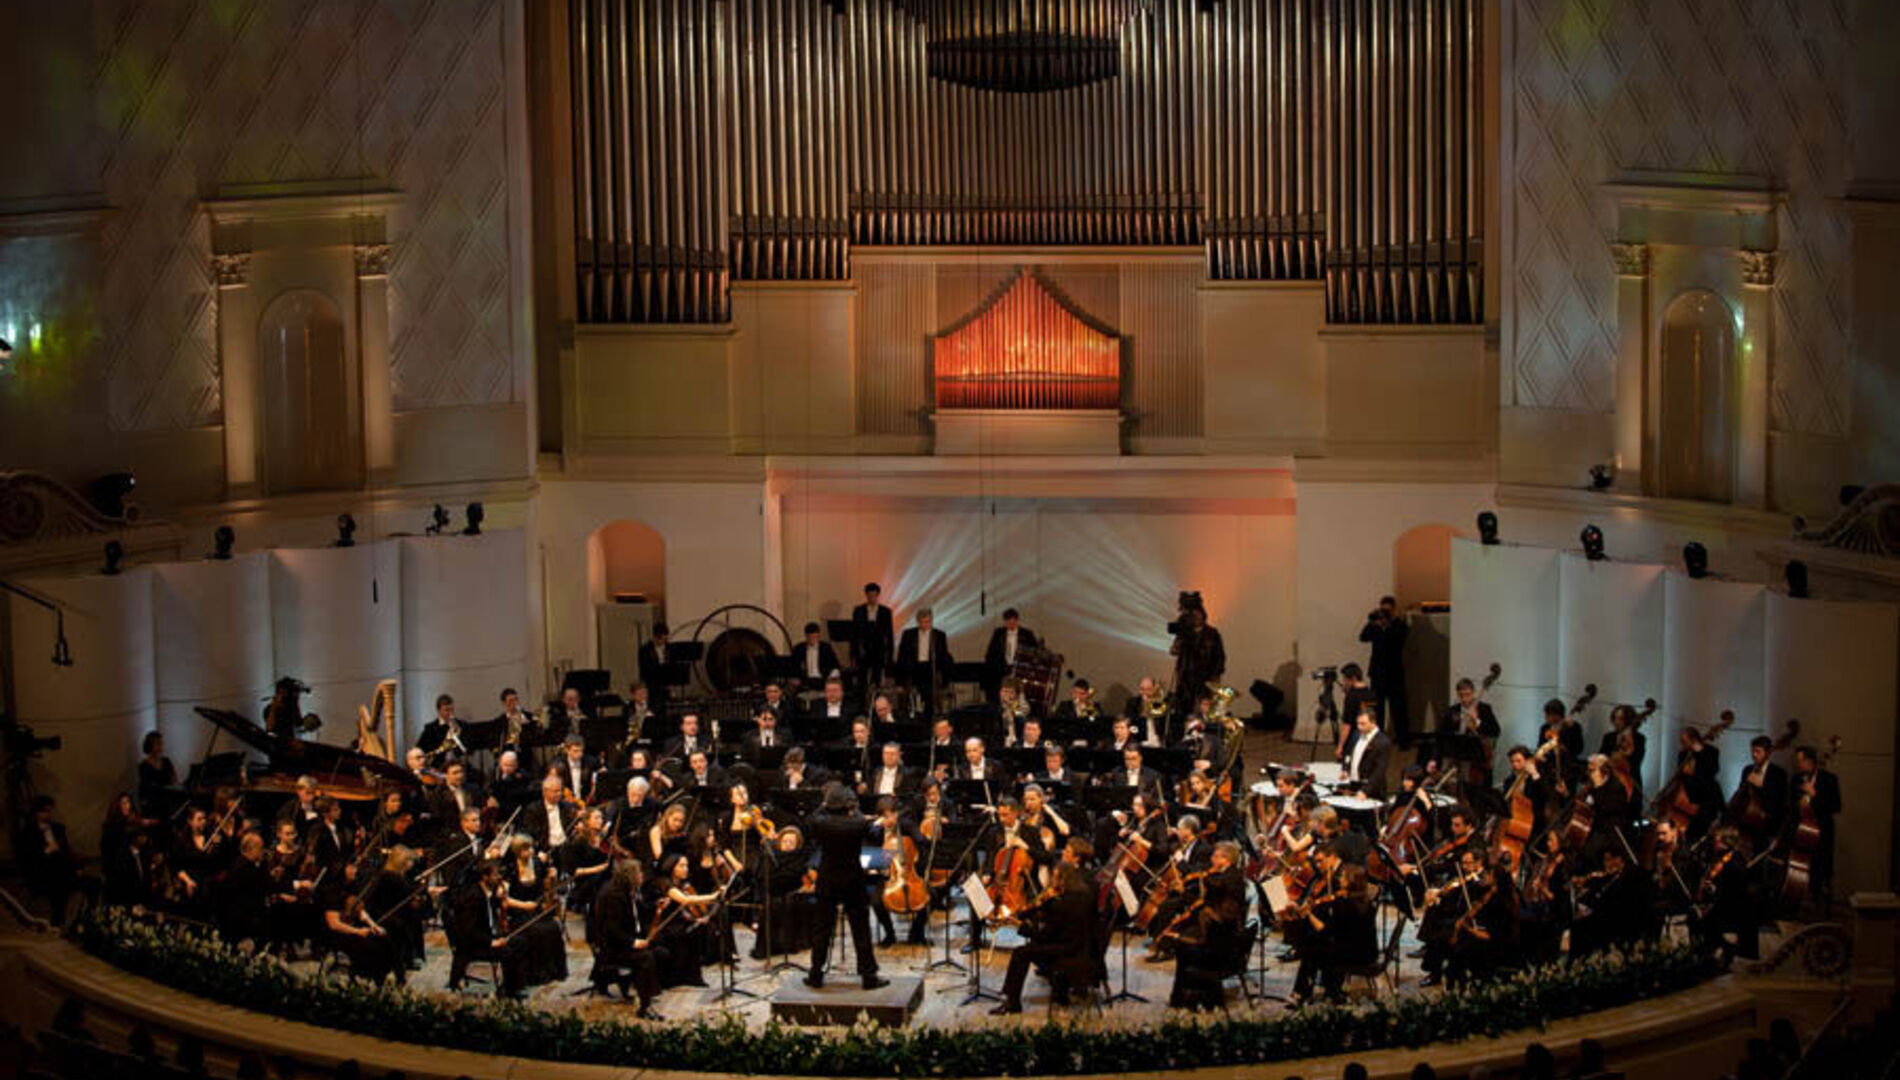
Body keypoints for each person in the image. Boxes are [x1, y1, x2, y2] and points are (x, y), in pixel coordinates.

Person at [993, 837, 1099, 1014]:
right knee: (1031, 948)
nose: (1053, 884)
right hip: (1082, 944)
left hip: (1069, 950)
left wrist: (1021, 926)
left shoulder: (1062, 903)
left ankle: (1012, 1002)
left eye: (1055, 879)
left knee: (1021, 953)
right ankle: (1058, 989)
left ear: (1062, 880)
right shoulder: (1081, 892)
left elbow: (1044, 936)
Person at [804, 783, 888, 990]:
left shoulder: (821, 822)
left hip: (827, 879)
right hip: (852, 880)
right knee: (860, 929)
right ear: (847, 805)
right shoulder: (858, 823)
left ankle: (816, 974)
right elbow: (877, 838)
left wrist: (824, 805)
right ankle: (868, 976)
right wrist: (860, 813)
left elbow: (810, 820)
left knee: (821, 929)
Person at [1166, 840, 1250, 1009]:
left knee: (1182, 948)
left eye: (1215, 856)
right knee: (1182, 942)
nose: (1211, 859)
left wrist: (1199, 881)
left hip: (1221, 945)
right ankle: (1185, 997)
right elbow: (1204, 904)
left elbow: (1208, 903)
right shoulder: (1232, 875)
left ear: (1226, 859)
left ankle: (1186, 998)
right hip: (1221, 934)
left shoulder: (1226, 879)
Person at [1290, 853, 1377, 1004]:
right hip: (1368, 950)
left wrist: (1308, 914)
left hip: (1356, 955)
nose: (1340, 879)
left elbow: (1325, 931)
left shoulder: (1345, 905)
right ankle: (1331, 989)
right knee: (1318, 947)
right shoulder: (1364, 900)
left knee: (1312, 950)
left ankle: (1302, 993)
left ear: (1350, 882)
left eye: (1343, 877)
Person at [588, 860, 665, 1016]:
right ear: (630, 876)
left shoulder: (629, 890)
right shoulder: (612, 896)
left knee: (662, 950)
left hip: (627, 939)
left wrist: (656, 906)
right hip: (613, 946)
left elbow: (640, 911)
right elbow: (611, 929)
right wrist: (633, 942)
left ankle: (643, 990)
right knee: (646, 958)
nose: (642, 876)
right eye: (639, 873)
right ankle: (645, 1005)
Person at [1786, 744, 1842, 904]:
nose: (1798, 764)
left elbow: (1836, 806)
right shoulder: (1796, 779)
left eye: (1800, 761)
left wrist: (1814, 795)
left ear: (1810, 761)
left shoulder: (1829, 779)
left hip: (1821, 833)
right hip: (1800, 832)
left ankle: (1816, 899)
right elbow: (1790, 805)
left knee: (1819, 869)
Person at [16, 795, 79, 925]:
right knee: (59, 885)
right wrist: (47, 850)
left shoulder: (58, 828)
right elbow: (29, 859)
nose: (48, 814)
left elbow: (66, 851)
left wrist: (76, 865)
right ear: (36, 813)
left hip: (62, 869)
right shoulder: (28, 832)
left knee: (92, 883)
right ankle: (58, 921)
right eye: (44, 811)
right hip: (42, 872)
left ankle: (82, 921)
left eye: (49, 811)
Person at [1359, 595, 1411, 745]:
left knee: (1398, 708)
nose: (1385, 614)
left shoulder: (1399, 625)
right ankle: (1378, 738)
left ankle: (1403, 740)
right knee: (1378, 709)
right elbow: (1362, 637)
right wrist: (1373, 622)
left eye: (1388, 611)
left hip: (1395, 673)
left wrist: (1390, 623)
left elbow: (1400, 638)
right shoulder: (1376, 626)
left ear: (1394, 610)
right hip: (1378, 673)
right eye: (1383, 610)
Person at [1726, 735, 1788, 850]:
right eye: (1753, 751)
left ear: (1768, 753)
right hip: (1747, 821)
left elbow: (1779, 801)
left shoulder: (1779, 773)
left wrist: (1762, 786)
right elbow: (1741, 795)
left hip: (1766, 823)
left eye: (1758, 752)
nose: (1754, 755)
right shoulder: (1748, 770)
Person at [1168, 593, 1225, 714]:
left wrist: (1215, 677)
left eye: (1196, 612)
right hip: (1185, 678)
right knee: (1184, 708)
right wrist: (1181, 637)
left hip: (1205, 677)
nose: (1195, 616)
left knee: (1204, 709)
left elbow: (1220, 656)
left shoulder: (1212, 633)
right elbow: (1173, 650)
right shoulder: (1184, 633)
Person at [896, 607, 953, 720]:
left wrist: (945, 679)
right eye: (922, 622)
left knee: (929, 698)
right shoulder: (908, 634)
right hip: (914, 669)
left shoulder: (939, 635)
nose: (925, 624)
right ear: (918, 622)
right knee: (909, 698)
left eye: (928, 621)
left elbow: (943, 657)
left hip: (930, 669)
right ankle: (910, 719)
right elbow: (902, 657)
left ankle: (928, 719)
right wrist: (900, 680)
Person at [983, 608, 1042, 702]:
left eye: (1012, 622)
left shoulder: (1027, 634)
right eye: (1007, 623)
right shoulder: (998, 633)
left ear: (1017, 621)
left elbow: (1035, 652)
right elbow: (991, 652)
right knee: (1001, 694)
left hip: (1020, 670)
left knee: (1018, 694)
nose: (1009, 625)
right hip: (1002, 669)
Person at [1338, 707, 1392, 799]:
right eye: (1358, 723)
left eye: (1363, 724)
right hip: (1354, 785)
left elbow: (1379, 770)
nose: (1359, 727)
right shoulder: (1356, 735)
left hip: (1371, 789)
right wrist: (1345, 769)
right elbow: (1348, 753)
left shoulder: (1383, 742)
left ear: (1373, 722)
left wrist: (1366, 791)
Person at [851, 583, 895, 689]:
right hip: (863, 649)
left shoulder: (885, 612)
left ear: (878, 595)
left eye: (874, 595)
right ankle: (862, 701)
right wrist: (853, 652)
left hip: (878, 649)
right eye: (869, 595)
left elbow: (889, 633)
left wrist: (890, 653)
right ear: (866, 595)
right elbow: (854, 633)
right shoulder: (859, 611)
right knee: (861, 677)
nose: (872, 598)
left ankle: (875, 701)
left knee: (876, 678)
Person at [639, 623, 673, 712]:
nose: (662, 641)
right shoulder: (645, 649)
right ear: (655, 637)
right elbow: (643, 669)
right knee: (654, 708)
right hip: (652, 684)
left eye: (665, 638)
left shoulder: (670, 648)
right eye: (660, 638)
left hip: (666, 684)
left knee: (667, 708)